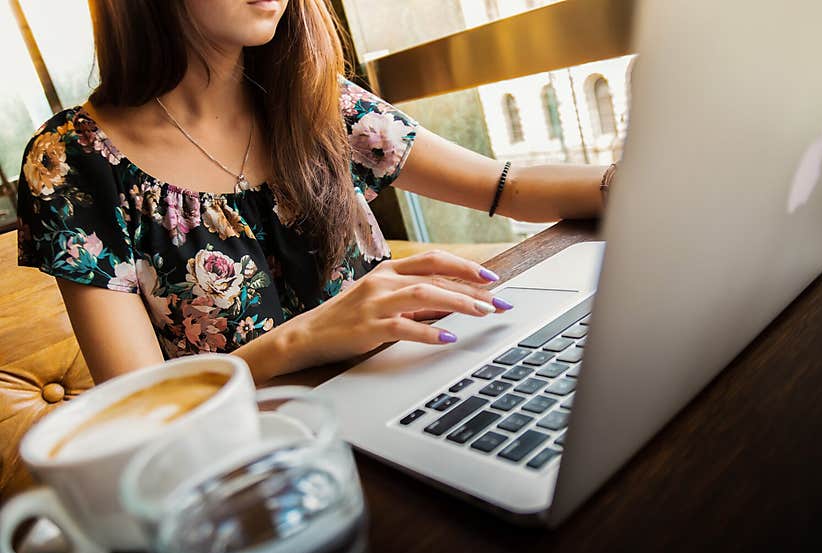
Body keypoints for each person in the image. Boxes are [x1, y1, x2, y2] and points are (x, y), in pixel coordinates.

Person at [17, 0, 611, 386]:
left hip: (406, 391)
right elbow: (140, 407)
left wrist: (631, 181)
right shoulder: (71, 161)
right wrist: (305, 338)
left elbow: (503, 187)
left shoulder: (316, 99)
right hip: (254, 465)